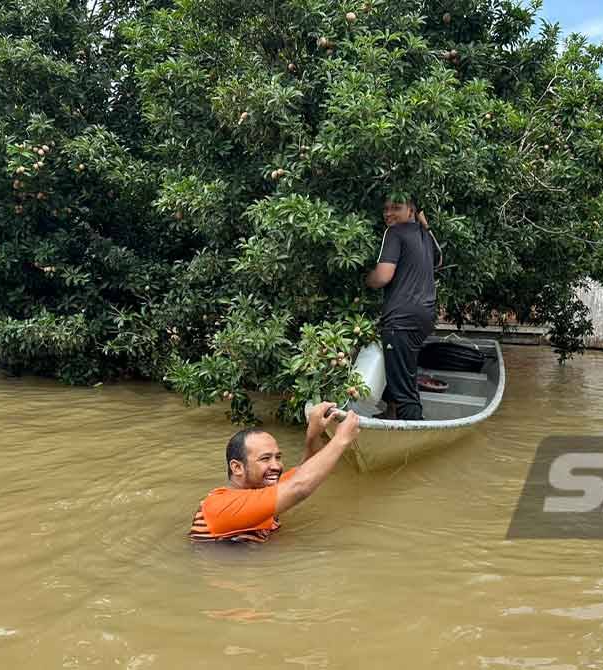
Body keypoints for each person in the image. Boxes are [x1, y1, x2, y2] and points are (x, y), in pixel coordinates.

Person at [189, 403, 360, 543]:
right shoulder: (220, 505)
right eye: (265, 459)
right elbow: (299, 487)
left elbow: (308, 470)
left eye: (277, 457)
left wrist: (314, 433)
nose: (276, 466)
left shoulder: (263, 489)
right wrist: (341, 439)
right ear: (237, 468)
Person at [365, 197, 443, 420]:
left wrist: (366, 279)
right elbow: (439, 260)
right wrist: (425, 225)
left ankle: (414, 426)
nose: (388, 213)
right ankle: (391, 415)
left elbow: (382, 276)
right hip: (423, 317)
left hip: (402, 319)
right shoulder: (424, 234)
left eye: (396, 208)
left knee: (404, 388)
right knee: (399, 370)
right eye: (386, 208)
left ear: (411, 211)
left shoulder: (394, 233)